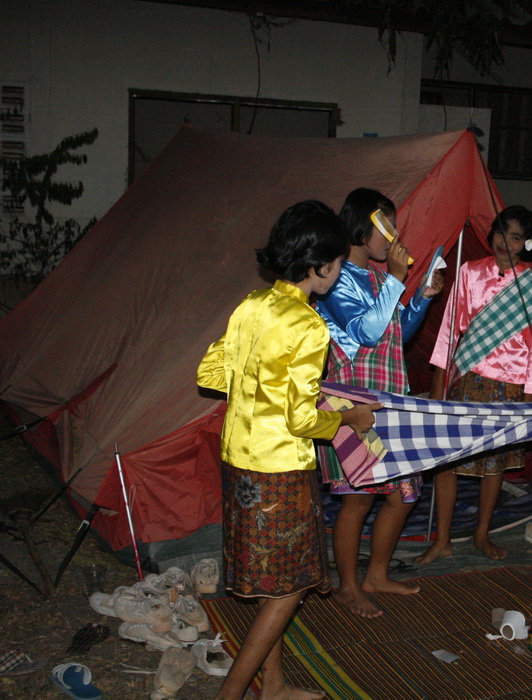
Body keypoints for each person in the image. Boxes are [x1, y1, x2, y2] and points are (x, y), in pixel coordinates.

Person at [197, 200, 380, 700]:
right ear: (320, 265)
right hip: (280, 470)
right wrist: (350, 418)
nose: (338, 272)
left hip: (239, 459)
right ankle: (229, 695)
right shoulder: (308, 325)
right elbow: (301, 421)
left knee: (271, 582)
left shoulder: (252, 304)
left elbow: (210, 373)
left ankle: (273, 686)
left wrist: (262, 388)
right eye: (337, 263)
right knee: (292, 586)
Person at [315, 188, 443, 619]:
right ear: (361, 226)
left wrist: (421, 296)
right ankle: (348, 587)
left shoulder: (376, 276)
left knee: (405, 493)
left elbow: (397, 334)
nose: (394, 237)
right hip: (354, 401)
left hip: (390, 396)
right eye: (386, 227)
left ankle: (376, 575)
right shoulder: (336, 278)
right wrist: (396, 278)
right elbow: (367, 333)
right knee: (359, 499)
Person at [416, 205, 532, 564]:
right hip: (466, 378)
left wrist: (528, 398)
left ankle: (481, 535)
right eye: (501, 232)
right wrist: (439, 385)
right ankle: (443, 539)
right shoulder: (469, 271)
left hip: (508, 387)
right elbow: (449, 330)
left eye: (516, 237)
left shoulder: (531, 287)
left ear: (528, 244)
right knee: (446, 460)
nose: (504, 242)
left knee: (494, 465)